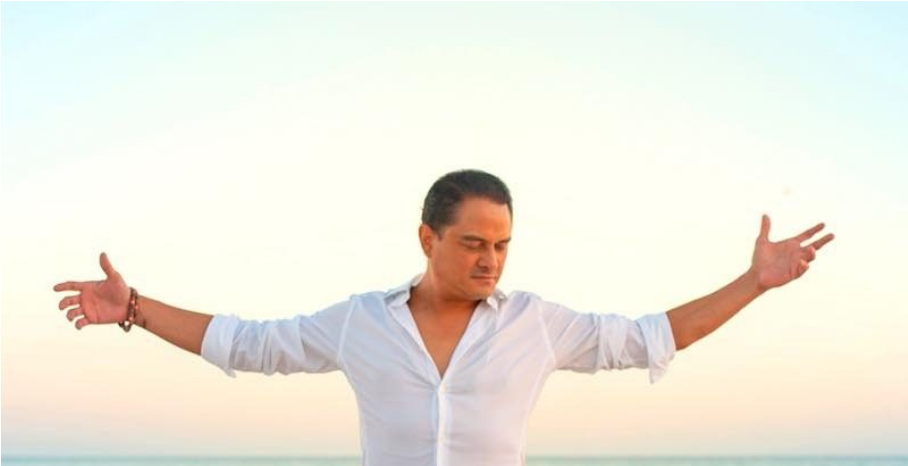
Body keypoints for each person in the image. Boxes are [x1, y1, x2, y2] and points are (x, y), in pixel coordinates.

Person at [53, 169, 834, 466]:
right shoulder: (361, 322)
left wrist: (753, 283)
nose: (490, 260)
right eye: (472, 243)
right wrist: (136, 310)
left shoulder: (536, 324)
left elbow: (653, 337)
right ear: (428, 239)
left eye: (502, 245)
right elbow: (249, 345)